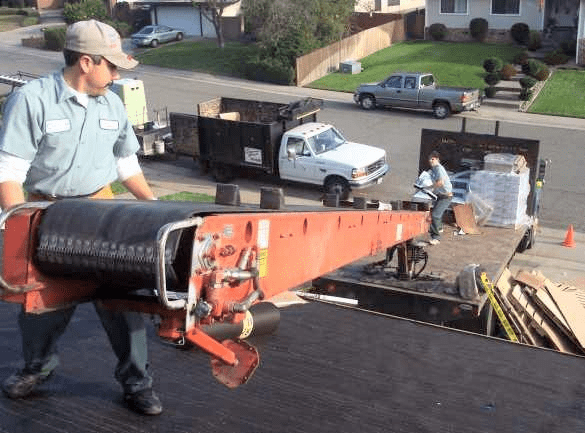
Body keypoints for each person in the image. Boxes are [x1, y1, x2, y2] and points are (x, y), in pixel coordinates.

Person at [0, 20, 162, 416]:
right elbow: (8, 172)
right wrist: (18, 227)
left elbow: (126, 165)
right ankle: (37, 369)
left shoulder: (113, 103)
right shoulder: (32, 100)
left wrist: (155, 206)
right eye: (112, 66)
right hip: (47, 212)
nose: (118, 74)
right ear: (86, 62)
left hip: (102, 212)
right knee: (40, 303)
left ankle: (137, 383)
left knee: (122, 302)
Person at [427, 150, 452, 245]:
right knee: (435, 213)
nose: (430, 161)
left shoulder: (438, 168)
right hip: (441, 196)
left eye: (432, 159)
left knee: (435, 215)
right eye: (429, 159)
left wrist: (430, 188)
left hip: (446, 197)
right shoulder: (434, 169)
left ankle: (436, 238)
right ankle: (439, 228)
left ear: (437, 159)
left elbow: (440, 182)